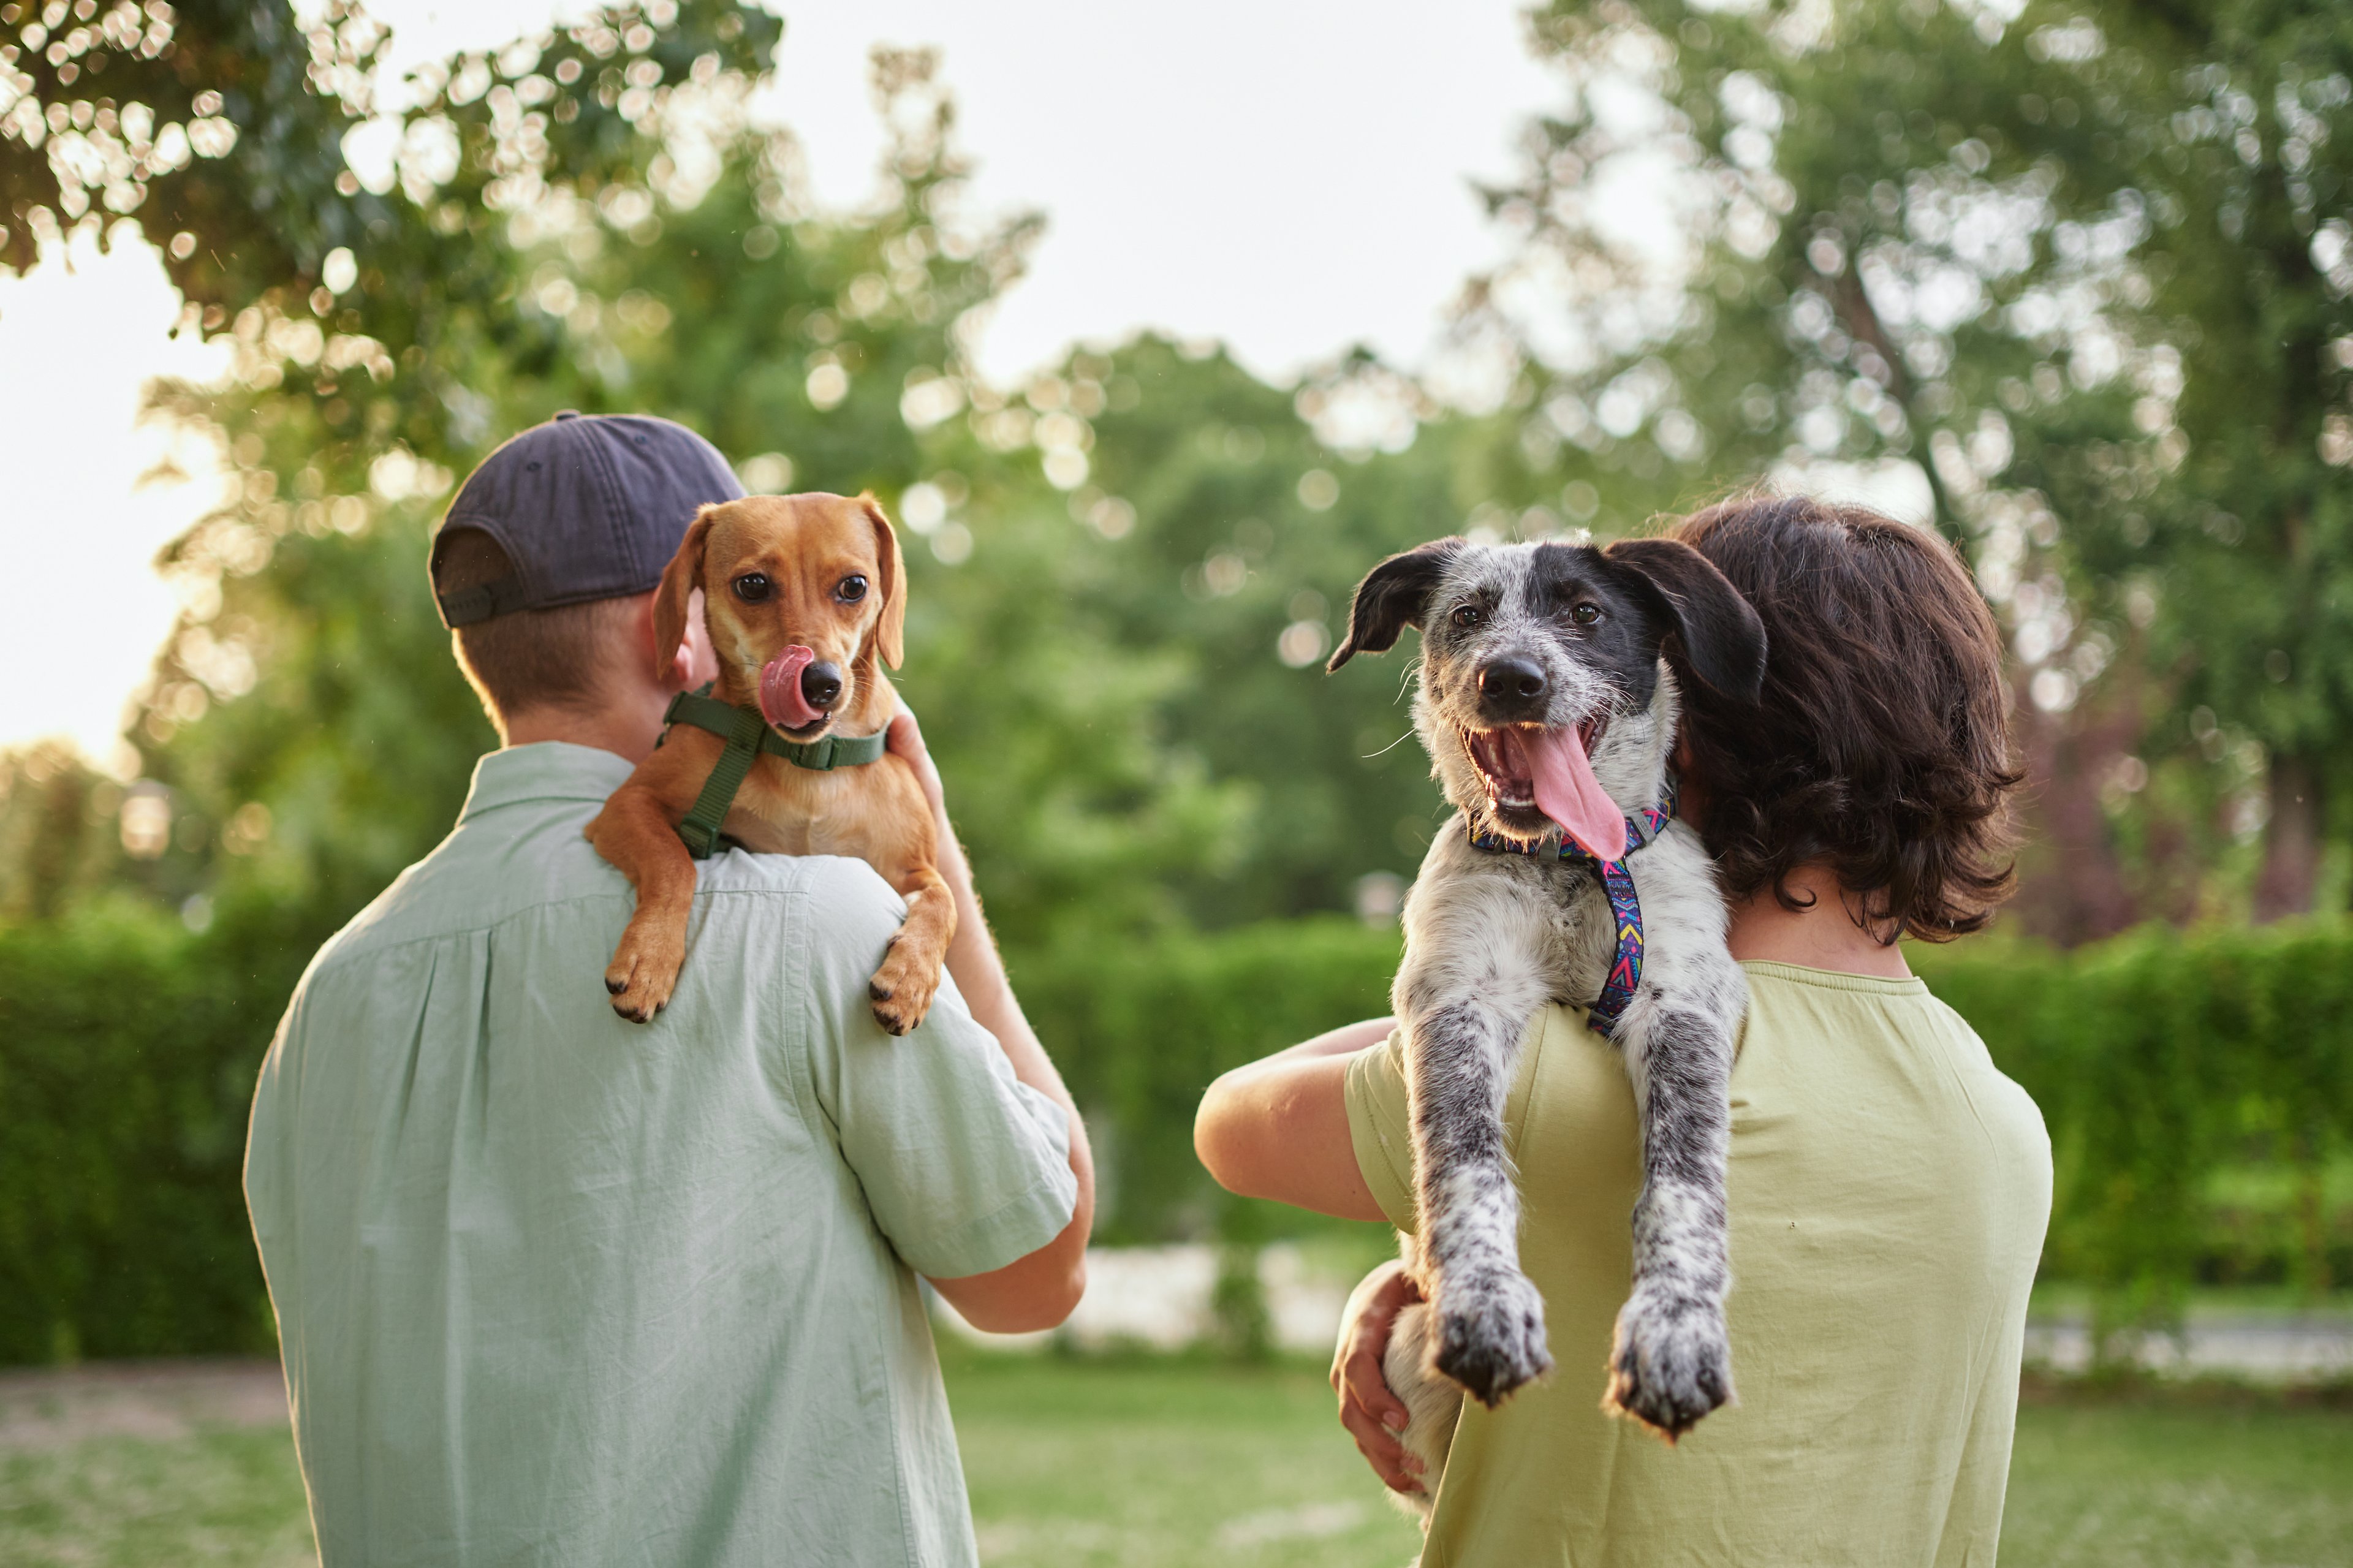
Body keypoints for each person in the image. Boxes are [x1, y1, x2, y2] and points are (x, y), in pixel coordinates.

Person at [243, 412, 1094, 1567]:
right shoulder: (822, 925)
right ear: (681, 637)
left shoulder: (326, 999)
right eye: (759, 590)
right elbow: (1040, 1270)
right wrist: (935, 853)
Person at [1195, 494, 2052, 1566]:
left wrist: (1430, 1233)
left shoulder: (1550, 1090)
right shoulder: (2005, 1127)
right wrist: (1429, 1258)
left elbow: (1232, 1124)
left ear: (1691, 719)